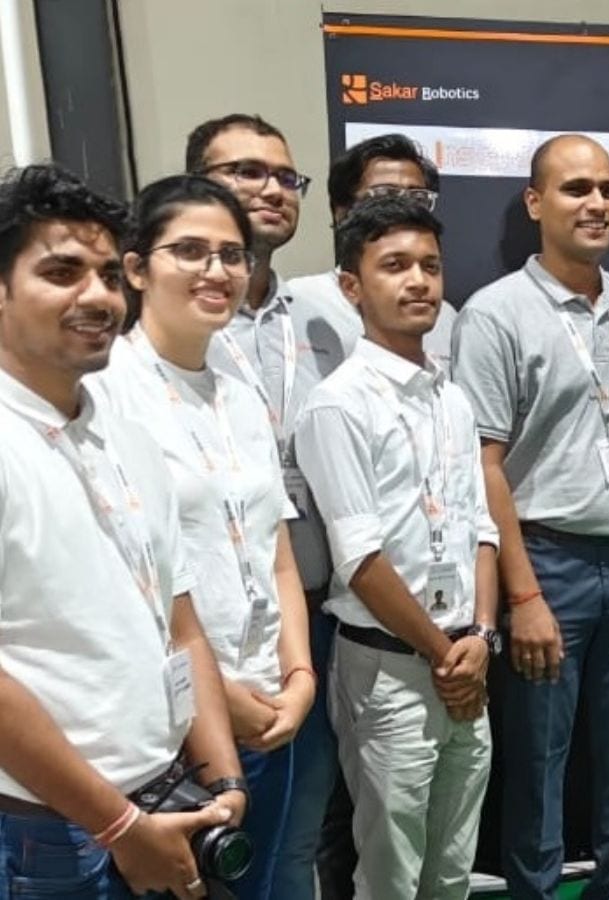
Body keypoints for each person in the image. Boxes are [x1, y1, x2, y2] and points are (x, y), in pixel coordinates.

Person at [0, 163, 245, 900]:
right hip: (46, 830)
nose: (98, 296)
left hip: (166, 795)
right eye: (62, 272)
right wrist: (118, 826)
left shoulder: (125, 432)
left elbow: (179, 619)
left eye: (109, 275)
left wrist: (223, 780)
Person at [452, 133, 609, 899]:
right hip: (545, 562)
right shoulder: (495, 315)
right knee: (538, 761)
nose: (598, 203)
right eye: (577, 189)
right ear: (536, 203)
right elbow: (482, 466)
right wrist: (524, 594)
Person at [92, 174, 313, 899]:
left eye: (231, 255)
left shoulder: (240, 394)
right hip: (176, 729)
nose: (216, 270)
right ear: (135, 268)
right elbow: (124, 583)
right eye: (189, 251)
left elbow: (277, 553)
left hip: (274, 708)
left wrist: (300, 677)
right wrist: (220, 699)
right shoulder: (104, 394)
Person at [295, 197, 499, 898]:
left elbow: (482, 529)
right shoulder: (338, 404)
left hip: (465, 657)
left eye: (430, 266)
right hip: (391, 670)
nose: (419, 281)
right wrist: (445, 656)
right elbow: (360, 559)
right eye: (395, 266)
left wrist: (481, 637)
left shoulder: (452, 398)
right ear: (352, 286)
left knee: (454, 867)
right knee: (391, 872)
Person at [187, 113, 339, 899]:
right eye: (246, 172)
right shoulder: (163, 342)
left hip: (309, 617)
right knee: (208, 856)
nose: (273, 188)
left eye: (285, 176)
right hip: (201, 647)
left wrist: (301, 665)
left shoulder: (325, 318)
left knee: (294, 839)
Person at [285, 132, 458, 374]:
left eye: (418, 198)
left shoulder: (444, 317)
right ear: (341, 211)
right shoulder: (298, 302)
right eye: (384, 195)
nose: (402, 208)